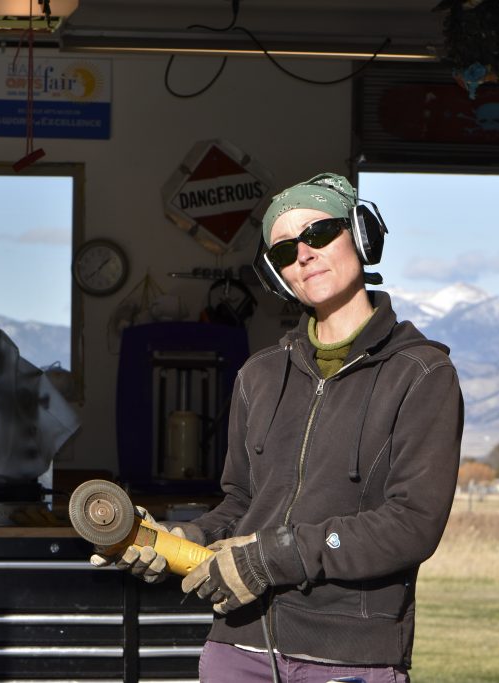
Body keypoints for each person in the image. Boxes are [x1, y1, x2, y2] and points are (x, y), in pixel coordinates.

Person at [93, 173, 464, 682]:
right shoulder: (259, 374)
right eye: (285, 251)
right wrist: (182, 538)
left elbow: (412, 524)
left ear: (362, 234)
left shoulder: (420, 374)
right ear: (278, 277)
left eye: (318, 234)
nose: (304, 255)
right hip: (238, 647)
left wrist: (276, 557)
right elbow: (243, 503)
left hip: (348, 656)